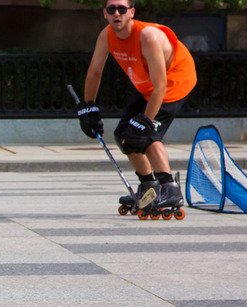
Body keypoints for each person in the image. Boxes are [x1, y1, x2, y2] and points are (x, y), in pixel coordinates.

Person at [78, 0, 197, 215]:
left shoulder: (148, 36)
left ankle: (170, 188)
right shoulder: (106, 36)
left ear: (131, 12)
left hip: (173, 82)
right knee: (124, 135)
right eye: (112, 9)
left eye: (122, 9)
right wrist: (89, 108)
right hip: (146, 85)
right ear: (105, 13)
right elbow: (94, 72)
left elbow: (161, 85)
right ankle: (149, 186)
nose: (117, 13)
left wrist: (146, 121)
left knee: (146, 135)